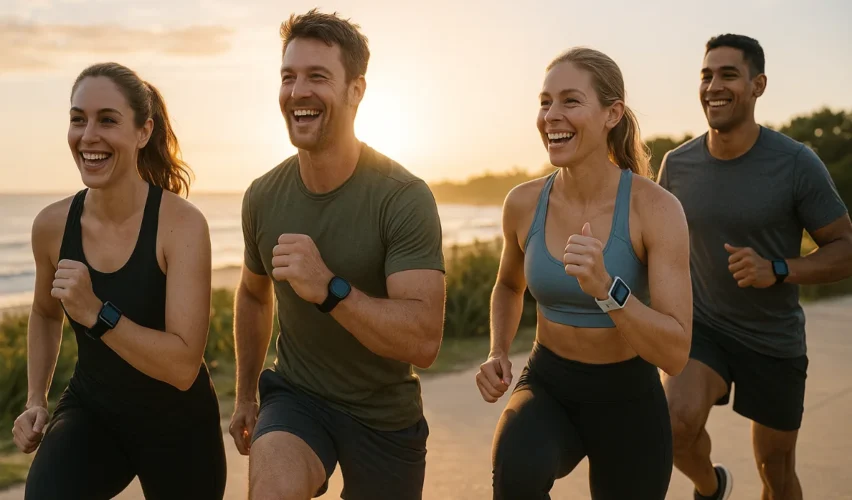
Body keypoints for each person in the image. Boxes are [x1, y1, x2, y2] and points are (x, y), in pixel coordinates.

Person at [227, 9, 446, 500]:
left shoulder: (402, 196)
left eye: (317, 76)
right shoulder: (263, 196)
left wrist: (329, 289)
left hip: (385, 415)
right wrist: (245, 394)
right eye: (288, 76)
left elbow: (424, 341)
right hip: (297, 400)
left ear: (356, 90)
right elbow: (253, 294)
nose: (297, 91)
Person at [475, 46, 692, 500]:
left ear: (612, 114)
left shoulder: (655, 209)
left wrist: (607, 290)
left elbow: (674, 352)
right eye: (545, 102)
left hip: (628, 397)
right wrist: (498, 349)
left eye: (570, 101)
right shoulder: (522, 202)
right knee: (516, 472)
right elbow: (509, 285)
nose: (551, 115)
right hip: (549, 383)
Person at [11, 62, 227, 499]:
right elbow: (44, 313)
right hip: (94, 413)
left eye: (107, 119)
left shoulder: (181, 226)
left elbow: (183, 367)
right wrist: (36, 398)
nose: (88, 135)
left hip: (178, 425)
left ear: (142, 132)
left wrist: (97, 314)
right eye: (78, 119)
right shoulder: (52, 226)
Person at [658, 34, 852, 500]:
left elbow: (845, 247)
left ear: (758, 85)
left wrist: (778, 269)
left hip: (772, 336)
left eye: (728, 75)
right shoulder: (677, 165)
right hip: (703, 328)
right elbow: (653, 245)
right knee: (672, 427)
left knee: (777, 472)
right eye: (706, 75)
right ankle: (711, 486)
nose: (713, 86)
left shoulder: (795, 163)